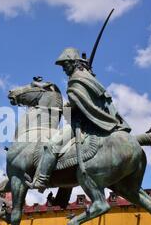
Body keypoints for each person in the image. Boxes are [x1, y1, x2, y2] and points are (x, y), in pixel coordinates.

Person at [27, 47, 131, 191]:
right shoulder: (86, 77)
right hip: (92, 120)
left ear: (73, 62)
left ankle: (41, 180)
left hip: (83, 124)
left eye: (65, 65)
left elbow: (80, 103)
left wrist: (67, 108)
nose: (64, 69)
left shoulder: (76, 79)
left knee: (51, 146)